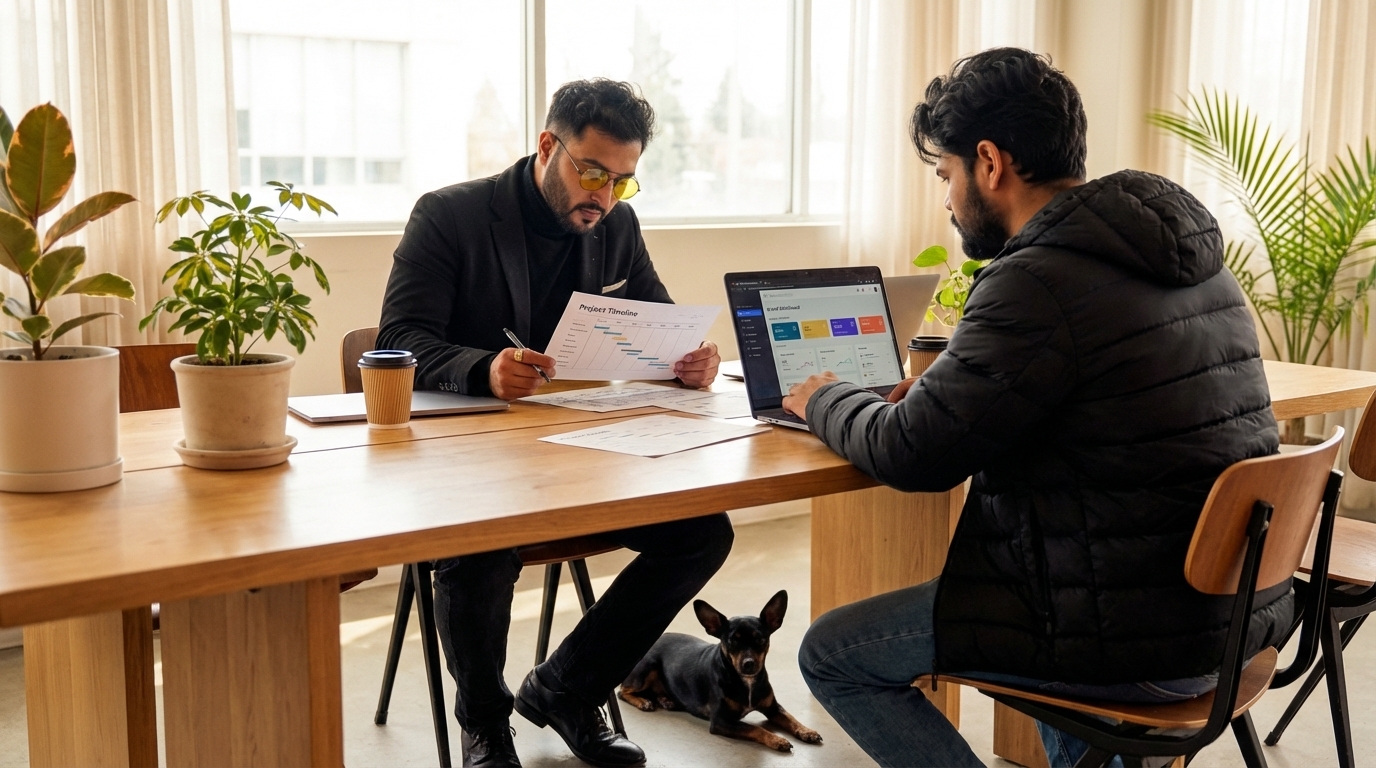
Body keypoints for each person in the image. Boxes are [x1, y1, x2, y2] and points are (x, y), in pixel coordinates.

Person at [781, 48, 1290, 768]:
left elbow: (912, 454)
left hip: (1121, 637)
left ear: (990, 162)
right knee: (1051, 601)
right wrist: (944, 389)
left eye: (945, 175)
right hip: (1229, 623)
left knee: (834, 654)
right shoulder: (1194, 261)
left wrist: (821, 397)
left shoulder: (1038, 279)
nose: (948, 199)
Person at [378, 78, 733, 768]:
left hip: (580, 455)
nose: (603, 196)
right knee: (481, 542)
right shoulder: (449, 215)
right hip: (469, 459)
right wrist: (483, 368)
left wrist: (689, 358)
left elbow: (655, 323)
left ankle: (569, 689)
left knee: (702, 532)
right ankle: (484, 719)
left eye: (622, 182)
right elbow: (400, 338)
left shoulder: (616, 226)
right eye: (592, 172)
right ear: (548, 146)